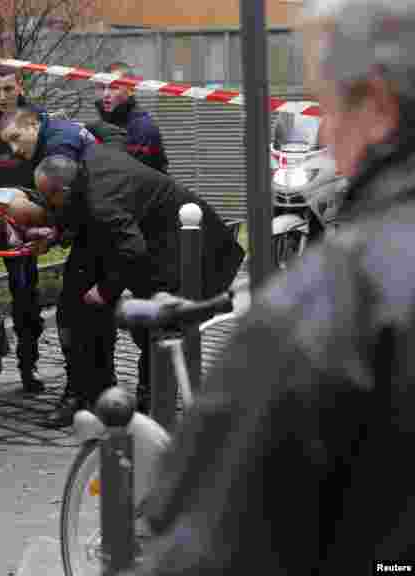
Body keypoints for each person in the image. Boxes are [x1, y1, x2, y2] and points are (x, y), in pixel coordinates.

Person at [128, 1, 415, 573]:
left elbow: (212, 543)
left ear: (378, 108)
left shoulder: (331, 303)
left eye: (328, 108)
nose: (325, 133)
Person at [31, 149, 243, 428]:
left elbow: (132, 250)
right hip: (156, 241)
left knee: (158, 327)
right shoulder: (90, 165)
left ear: (64, 189)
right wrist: (58, 232)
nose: (47, 205)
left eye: (48, 198)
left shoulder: (103, 203)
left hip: (193, 251)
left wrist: (106, 290)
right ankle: (101, 395)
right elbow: (85, 214)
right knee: (89, 312)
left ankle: (154, 408)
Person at [0, 106, 99, 426]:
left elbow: (66, 200)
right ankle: (98, 391)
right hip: (99, 227)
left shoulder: (57, 146)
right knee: (92, 315)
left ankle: (78, 396)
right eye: (8, 143)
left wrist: (50, 232)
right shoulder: (58, 134)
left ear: (33, 125)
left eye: (16, 138)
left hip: (102, 230)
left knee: (71, 314)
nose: (14, 149)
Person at [0, 65, 49, 393]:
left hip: (26, 219)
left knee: (25, 294)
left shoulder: (35, 120)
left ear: (20, 86)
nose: (3, 96)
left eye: (8, 88)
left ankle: (28, 363)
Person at [94, 61, 169, 174]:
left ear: (131, 90)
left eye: (114, 88)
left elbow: (138, 176)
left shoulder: (143, 127)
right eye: (102, 87)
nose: (106, 94)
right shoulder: (101, 125)